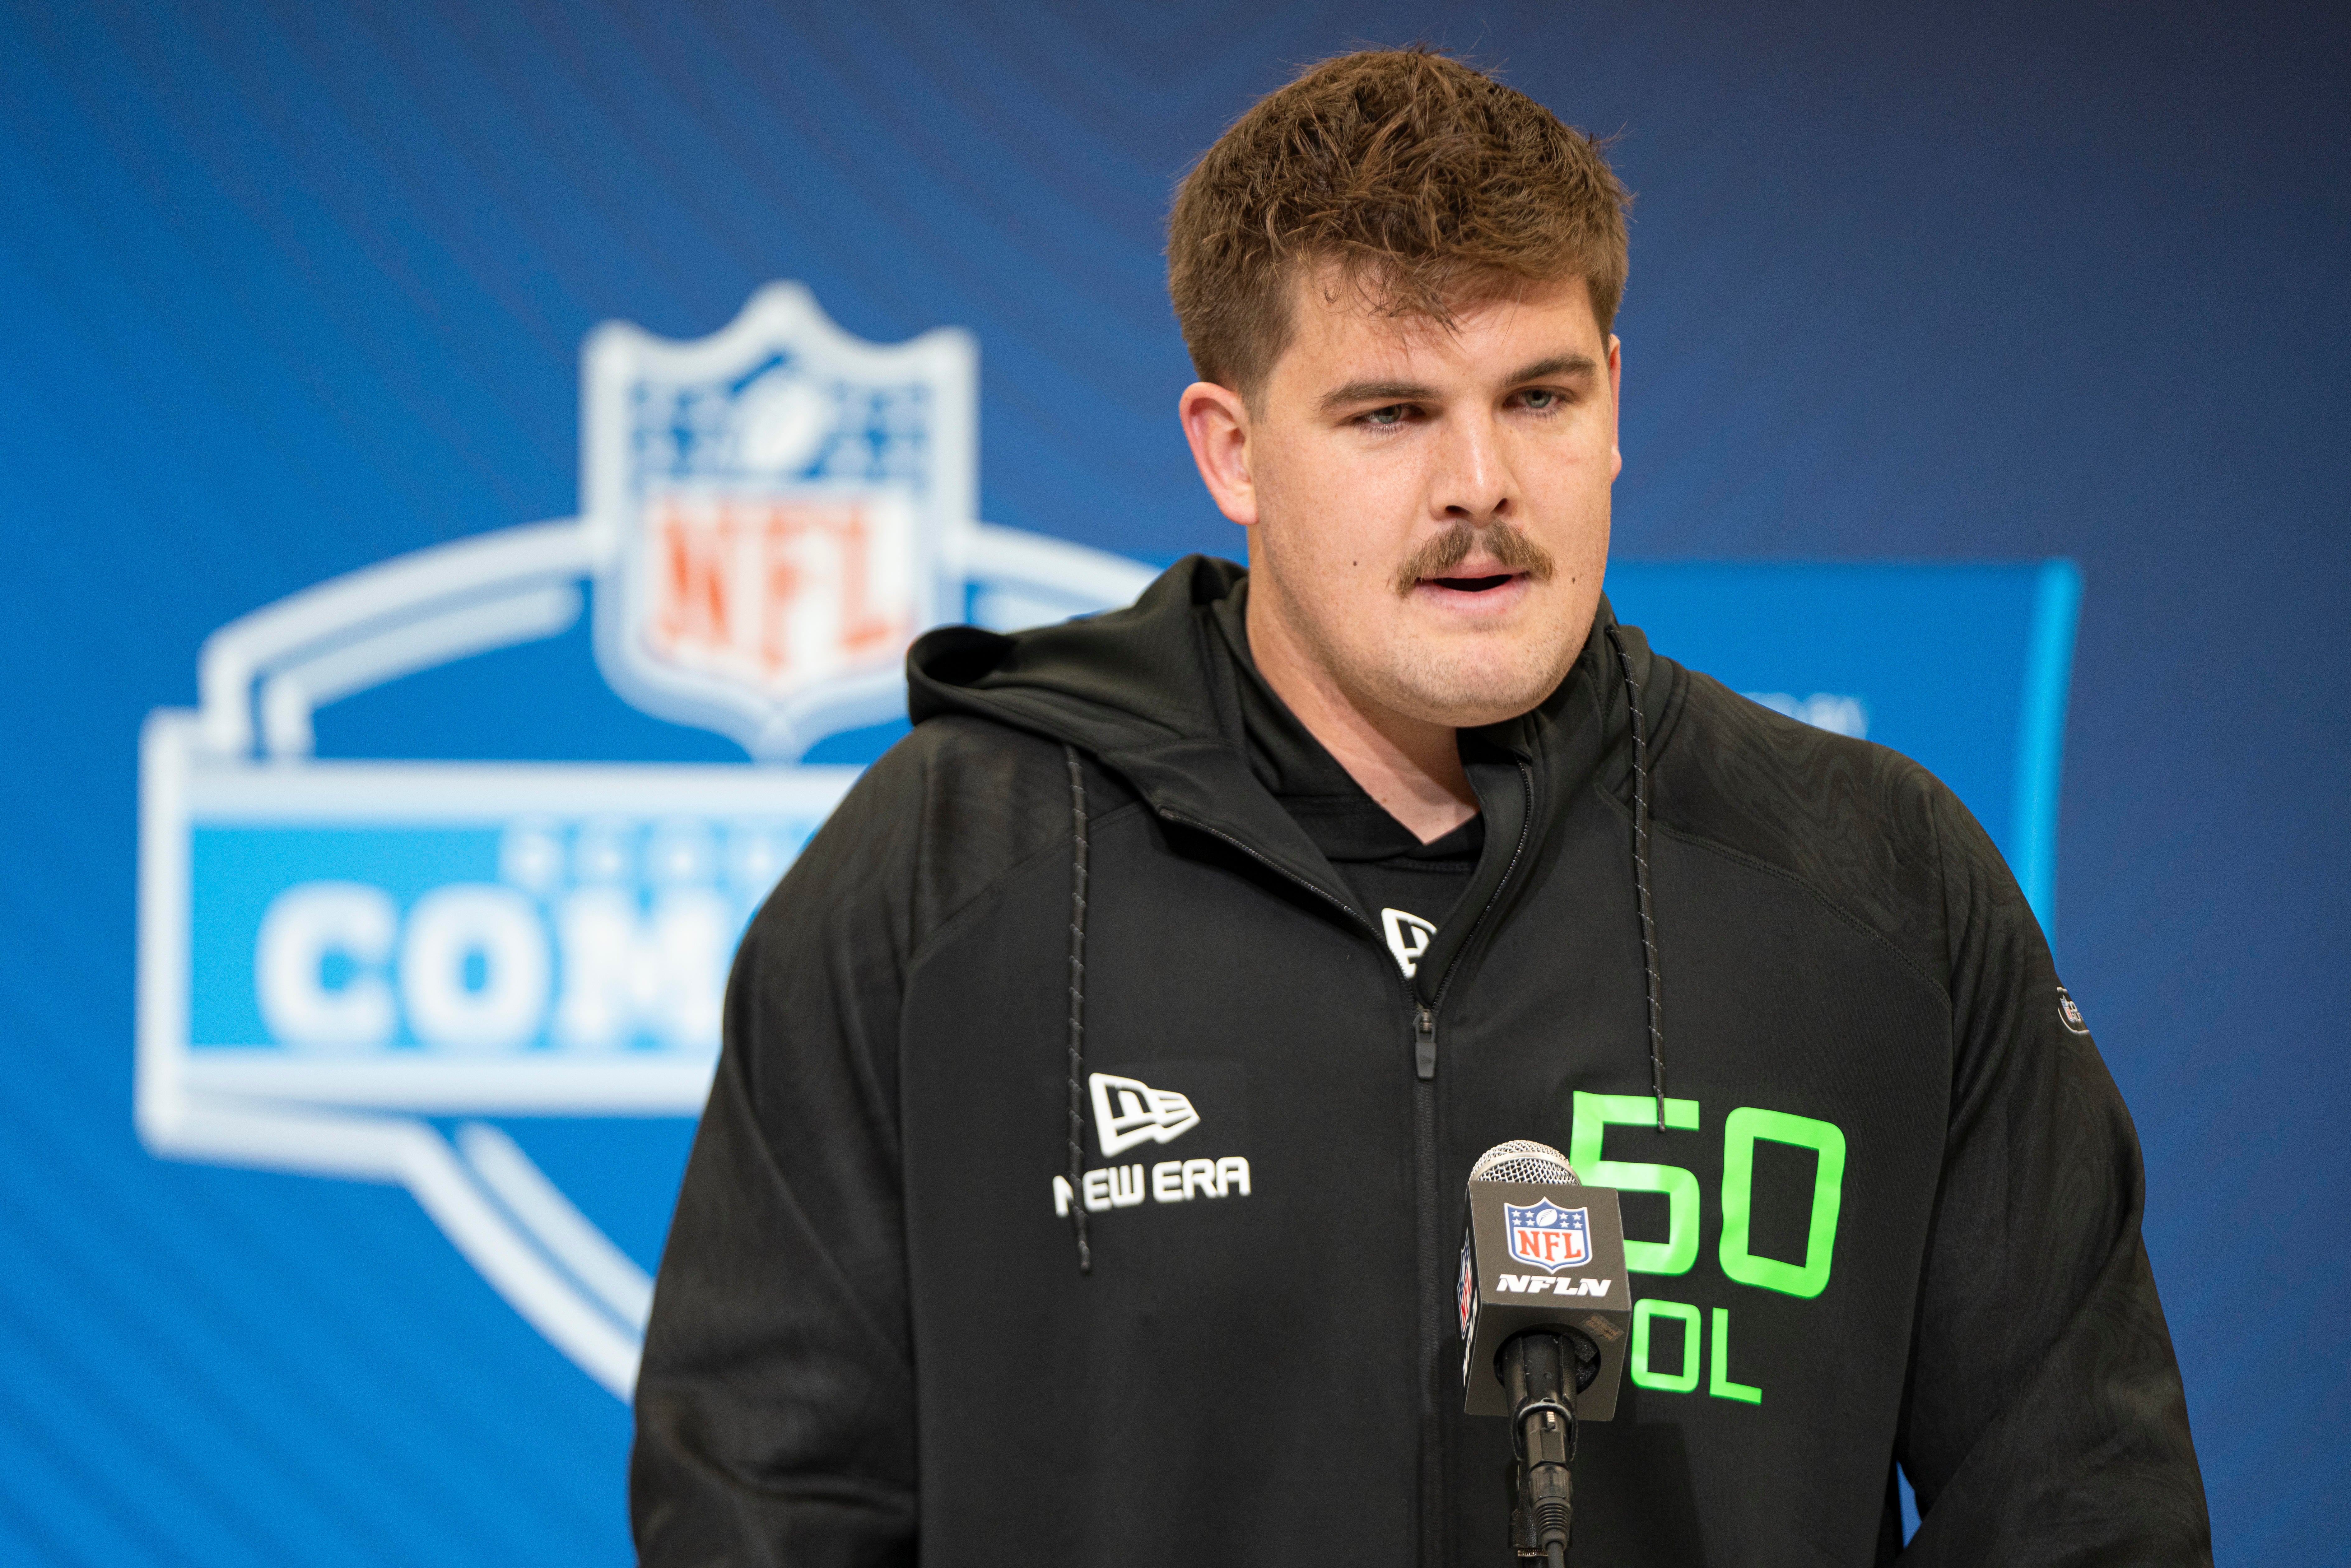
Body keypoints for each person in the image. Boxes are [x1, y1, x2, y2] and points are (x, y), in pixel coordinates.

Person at [631, 47, 2209, 1567]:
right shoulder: (943, 874)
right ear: (1232, 451)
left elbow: (2080, 1504)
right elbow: (762, 1502)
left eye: (1536, 397)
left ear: (1615, 397)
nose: (1479, 486)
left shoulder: (1877, 879)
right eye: (1389, 414)